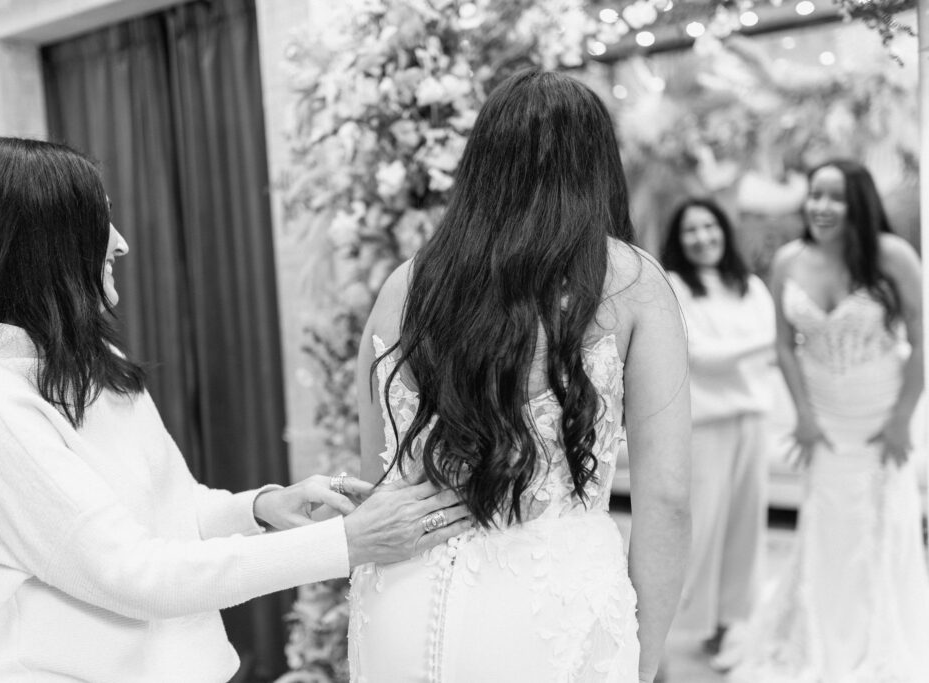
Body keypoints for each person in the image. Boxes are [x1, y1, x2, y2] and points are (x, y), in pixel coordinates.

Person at [0, 137, 471, 683]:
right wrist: (345, 545)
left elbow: (169, 512)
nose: (121, 243)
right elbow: (132, 574)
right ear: (37, 247)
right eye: (97, 222)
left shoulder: (90, 359)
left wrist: (263, 508)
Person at [347, 70, 691, 683]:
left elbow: (382, 472)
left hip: (401, 600)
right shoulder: (633, 282)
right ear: (597, 166)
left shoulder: (404, 285)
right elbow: (667, 498)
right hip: (552, 609)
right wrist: (645, 659)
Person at [725, 159, 929, 680]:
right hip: (823, 420)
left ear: (857, 203)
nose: (821, 206)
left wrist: (905, 417)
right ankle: (818, 635)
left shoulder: (894, 257)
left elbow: (921, 342)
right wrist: (804, 418)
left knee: (881, 525)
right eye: (815, 194)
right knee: (828, 524)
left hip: (882, 414)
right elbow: (783, 345)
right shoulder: (790, 261)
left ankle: (875, 637)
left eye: (834, 196)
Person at [660, 198, 775, 660]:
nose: (703, 237)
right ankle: (674, 629)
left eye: (710, 226)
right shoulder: (673, 287)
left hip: (753, 421)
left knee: (746, 528)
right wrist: (770, 340)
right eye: (691, 230)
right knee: (700, 528)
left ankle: (730, 625)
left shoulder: (750, 286)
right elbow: (700, 355)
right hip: (705, 427)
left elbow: (739, 356)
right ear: (679, 239)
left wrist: (746, 349)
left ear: (724, 231)